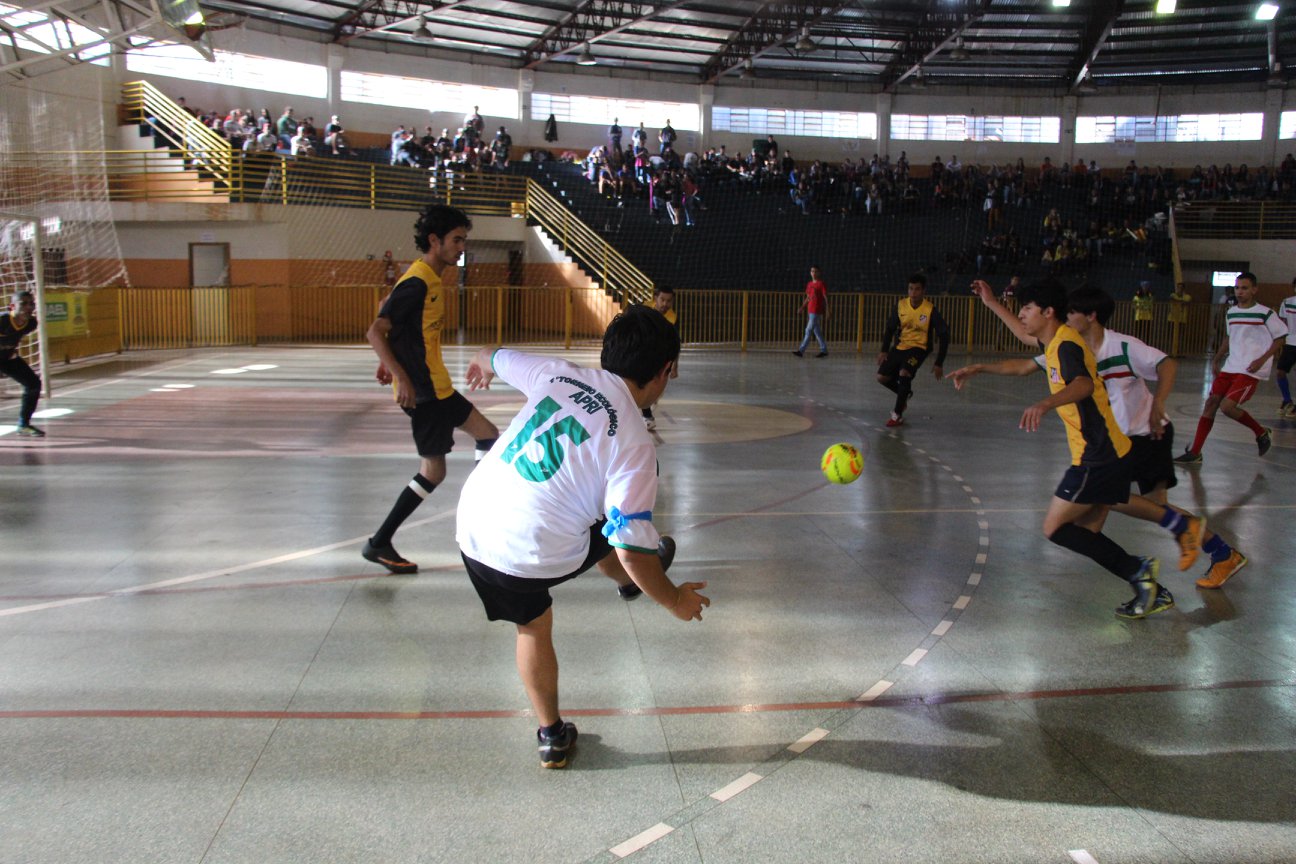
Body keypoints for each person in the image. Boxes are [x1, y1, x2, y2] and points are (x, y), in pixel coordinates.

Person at [456, 305, 709, 769]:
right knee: (538, 622)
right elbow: (633, 548)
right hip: (526, 554)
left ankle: (553, 734)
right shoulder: (633, 442)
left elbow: (493, 355)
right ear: (665, 371)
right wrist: (674, 600)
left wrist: (480, 362)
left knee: (593, 522)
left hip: (472, 524)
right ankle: (553, 730)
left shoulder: (558, 373)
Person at [975, 283, 1247, 589]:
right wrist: (991, 304)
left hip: (1146, 434)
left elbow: (1167, 363)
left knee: (1121, 503)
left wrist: (1158, 402)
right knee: (1099, 520)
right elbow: (1026, 342)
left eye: (1072, 313)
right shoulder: (1070, 345)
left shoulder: (1121, 346)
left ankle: (1198, 548)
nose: (1066, 317)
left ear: (1091, 316)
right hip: (1116, 440)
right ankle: (1183, 557)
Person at [949, 278, 1171, 620]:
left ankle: (1141, 570)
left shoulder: (1066, 346)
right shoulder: (1053, 341)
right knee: (1087, 534)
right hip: (1107, 451)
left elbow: (1082, 384)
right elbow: (1021, 354)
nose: (1021, 314)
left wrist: (1045, 404)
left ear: (1048, 312)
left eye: (1027, 308)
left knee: (1056, 528)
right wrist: (989, 314)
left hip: (1098, 456)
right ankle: (1144, 581)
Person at [362, 205, 500, 574]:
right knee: (482, 440)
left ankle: (380, 542)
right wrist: (399, 374)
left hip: (433, 388)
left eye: (464, 240)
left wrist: (387, 362)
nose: (461, 248)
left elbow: (387, 312)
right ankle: (478, 519)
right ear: (435, 240)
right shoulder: (419, 280)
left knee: (440, 467)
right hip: (426, 393)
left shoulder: (427, 278)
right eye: (457, 240)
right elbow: (376, 329)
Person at [1174, 272, 1287, 464]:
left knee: (1227, 407)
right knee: (1211, 405)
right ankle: (1195, 452)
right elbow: (1229, 338)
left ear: (1254, 289)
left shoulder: (1265, 313)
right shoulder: (1232, 312)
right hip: (1230, 366)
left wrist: (1262, 359)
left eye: (1244, 288)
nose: (1240, 292)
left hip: (1249, 369)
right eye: (1237, 288)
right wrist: (1217, 359)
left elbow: (1280, 337)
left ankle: (1260, 432)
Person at [877, 273, 949, 427]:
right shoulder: (901, 305)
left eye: (917, 289)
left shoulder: (930, 310)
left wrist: (939, 363)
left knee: (904, 373)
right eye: (910, 289)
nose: (913, 293)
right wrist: (884, 350)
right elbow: (890, 329)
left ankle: (897, 415)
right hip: (901, 346)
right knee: (881, 377)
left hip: (919, 348)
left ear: (923, 291)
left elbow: (944, 335)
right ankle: (905, 394)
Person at [1, 290, 44, 437]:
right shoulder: (2, 321)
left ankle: (23, 425)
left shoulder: (31, 324)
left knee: (33, 384)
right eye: (23, 303)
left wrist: (9, 349)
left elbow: (13, 337)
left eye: (31, 303)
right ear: (12, 306)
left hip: (7, 359)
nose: (28, 307)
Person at [641, 286, 679, 431]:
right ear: (655, 298)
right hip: (641, 352)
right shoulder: (644, 309)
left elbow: (675, 343)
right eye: (662, 299)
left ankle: (649, 402)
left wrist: (675, 365)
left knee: (653, 386)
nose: (665, 304)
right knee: (643, 383)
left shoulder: (672, 318)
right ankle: (647, 416)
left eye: (669, 301)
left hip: (660, 354)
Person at [792, 265, 828, 358]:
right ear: (810, 272)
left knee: (808, 330)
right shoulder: (809, 284)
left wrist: (828, 309)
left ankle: (801, 350)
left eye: (816, 271)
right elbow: (808, 298)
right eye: (812, 271)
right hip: (810, 310)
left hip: (816, 311)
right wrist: (802, 307)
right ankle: (824, 350)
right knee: (817, 332)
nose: (814, 273)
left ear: (819, 273)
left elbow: (825, 297)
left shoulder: (821, 284)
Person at [1274, 275, 1296, 417]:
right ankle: (1287, 400)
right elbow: (1282, 322)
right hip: (1290, 343)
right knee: (1280, 372)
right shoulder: (1287, 303)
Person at [1168, 281, 1191, 356]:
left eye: (1181, 288)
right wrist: (1181, 301)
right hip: (1172, 318)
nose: (1179, 289)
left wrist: (1178, 301)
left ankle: (1179, 352)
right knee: (1171, 336)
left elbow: (1187, 302)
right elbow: (1172, 299)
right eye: (1178, 288)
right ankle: (1171, 351)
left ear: (1183, 289)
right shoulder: (1172, 295)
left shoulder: (1187, 296)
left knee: (1181, 336)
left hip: (1182, 319)